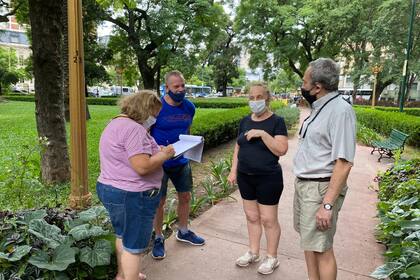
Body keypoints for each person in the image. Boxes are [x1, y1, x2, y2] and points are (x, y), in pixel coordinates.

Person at [96, 90, 175, 280]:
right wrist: (164, 155)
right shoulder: (134, 129)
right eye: (154, 114)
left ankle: (123, 275)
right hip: (132, 195)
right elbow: (142, 166)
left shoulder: (114, 123)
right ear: (144, 109)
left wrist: (156, 151)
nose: (154, 119)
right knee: (134, 246)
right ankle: (128, 276)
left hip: (110, 189)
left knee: (122, 235)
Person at [294, 58, 356, 280]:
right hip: (306, 185)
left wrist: (327, 205)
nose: (302, 86)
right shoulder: (320, 107)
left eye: (304, 81)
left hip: (320, 188)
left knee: (322, 248)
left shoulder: (340, 111)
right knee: (309, 242)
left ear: (317, 87)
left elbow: (344, 162)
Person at [227, 82, 288, 275]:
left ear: (267, 98)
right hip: (246, 176)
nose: (255, 101)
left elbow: (281, 149)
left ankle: (272, 257)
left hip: (268, 178)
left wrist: (262, 134)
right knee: (252, 217)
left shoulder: (277, 122)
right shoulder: (245, 121)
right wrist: (233, 170)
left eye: (259, 97)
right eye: (251, 98)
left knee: (268, 219)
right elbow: (238, 146)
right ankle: (253, 252)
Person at [150, 70, 205, 260]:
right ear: (167, 88)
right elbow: (145, 134)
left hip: (181, 161)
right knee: (160, 201)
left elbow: (187, 130)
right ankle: (158, 237)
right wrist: (158, 150)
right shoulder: (156, 107)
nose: (181, 89)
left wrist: (191, 145)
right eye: (176, 86)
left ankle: (183, 231)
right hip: (160, 162)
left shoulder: (189, 107)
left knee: (186, 196)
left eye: (183, 86)